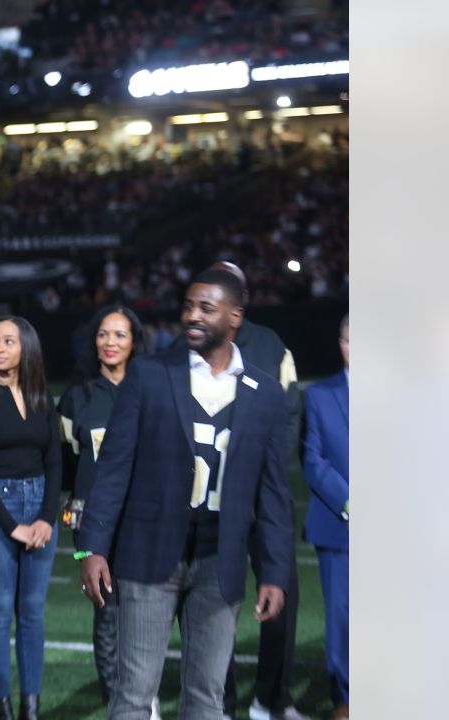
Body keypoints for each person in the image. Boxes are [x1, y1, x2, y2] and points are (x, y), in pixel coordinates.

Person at [77, 268, 296, 720]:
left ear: (235, 316)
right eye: (189, 306)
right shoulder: (150, 374)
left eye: (206, 308)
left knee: (207, 698)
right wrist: (92, 547)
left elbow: (272, 491)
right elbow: (113, 466)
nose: (192, 316)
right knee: (134, 694)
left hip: (222, 559)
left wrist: (274, 571)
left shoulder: (265, 392)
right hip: (148, 553)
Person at [207, 262, 306, 720]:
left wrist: (259, 479)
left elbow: (289, 416)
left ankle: (272, 697)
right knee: (213, 601)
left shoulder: (270, 344)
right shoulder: (190, 349)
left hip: (264, 498)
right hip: (211, 502)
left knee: (282, 592)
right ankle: (220, 702)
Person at [0, 316, 63, 720]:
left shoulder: (41, 395)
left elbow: (55, 462)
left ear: (27, 349)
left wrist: (46, 519)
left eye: (8, 341)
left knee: (33, 613)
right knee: (0, 613)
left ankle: (30, 709)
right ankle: (2, 708)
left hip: (39, 506)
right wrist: (12, 526)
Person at [57, 305, 156, 718]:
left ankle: (142, 692)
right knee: (106, 611)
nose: (110, 342)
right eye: (103, 334)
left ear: (134, 341)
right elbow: (66, 463)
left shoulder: (152, 388)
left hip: (144, 518)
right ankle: (119, 699)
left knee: (148, 610)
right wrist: (72, 515)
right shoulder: (76, 397)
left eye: (119, 335)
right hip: (91, 524)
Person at [301, 315, 349, 720]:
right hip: (340, 525)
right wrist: (350, 502)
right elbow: (312, 460)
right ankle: (346, 699)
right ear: (343, 344)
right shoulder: (319, 395)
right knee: (342, 618)